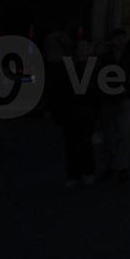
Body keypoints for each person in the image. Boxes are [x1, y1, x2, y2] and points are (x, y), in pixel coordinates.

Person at [42, 33, 97, 187]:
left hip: (86, 110)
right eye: (80, 48)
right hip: (72, 110)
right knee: (71, 144)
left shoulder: (94, 67)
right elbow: (59, 90)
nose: (83, 51)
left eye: (85, 48)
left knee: (85, 143)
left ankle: (86, 171)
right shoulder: (68, 66)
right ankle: (74, 173)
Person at [95, 30, 130, 184]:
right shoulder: (105, 57)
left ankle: (122, 167)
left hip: (125, 98)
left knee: (124, 135)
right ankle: (112, 166)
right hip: (109, 99)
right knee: (109, 135)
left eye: (122, 38)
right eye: (117, 39)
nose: (120, 41)